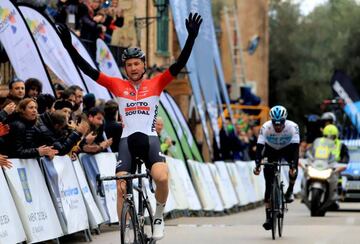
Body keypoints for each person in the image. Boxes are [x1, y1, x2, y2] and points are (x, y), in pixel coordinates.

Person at [57, 12, 202, 240]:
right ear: (124, 68)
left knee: (161, 177)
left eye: (137, 63)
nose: (133, 68)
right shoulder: (117, 85)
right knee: (121, 188)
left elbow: (179, 63)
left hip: (150, 139)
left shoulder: (156, 83)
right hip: (127, 142)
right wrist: (68, 46)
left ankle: (157, 215)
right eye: (129, 65)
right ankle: (125, 233)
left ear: (143, 65)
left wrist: (191, 38)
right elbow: (88, 69)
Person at [253, 105, 300, 231]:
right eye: (275, 124)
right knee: (268, 184)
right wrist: (257, 164)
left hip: (287, 149)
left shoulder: (293, 127)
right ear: (271, 121)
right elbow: (259, 147)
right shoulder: (266, 127)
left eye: (280, 124)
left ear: (285, 121)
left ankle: (290, 190)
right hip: (271, 150)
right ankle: (268, 217)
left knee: (294, 169)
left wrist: (293, 165)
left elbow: (296, 149)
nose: (278, 127)